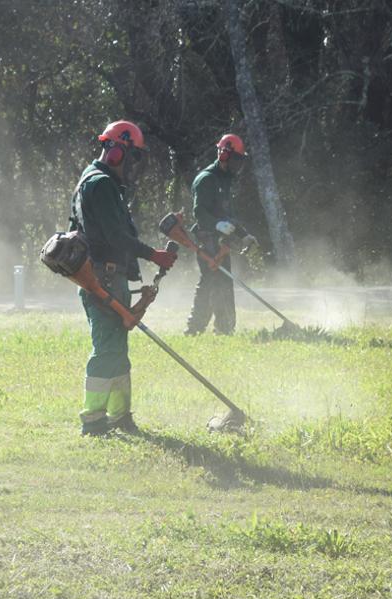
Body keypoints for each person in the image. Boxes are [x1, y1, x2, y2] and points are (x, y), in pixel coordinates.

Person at [70, 120, 178, 436]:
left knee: (117, 349)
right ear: (117, 151)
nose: (133, 164)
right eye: (133, 156)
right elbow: (116, 237)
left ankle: (119, 416)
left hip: (107, 276)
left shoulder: (93, 179)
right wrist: (153, 255)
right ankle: (93, 421)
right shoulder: (101, 184)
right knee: (107, 349)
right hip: (102, 278)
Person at [184, 133, 257, 335]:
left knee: (223, 283)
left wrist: (243, 235)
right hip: (207, 239)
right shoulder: (207, 179)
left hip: (220, 240)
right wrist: (217, 224)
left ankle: (224, 329)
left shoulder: (225, 180)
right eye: (236, 159)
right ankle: (194, 328)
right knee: (210, 282)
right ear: (224, 155)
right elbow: (199, 212)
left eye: (240, 160)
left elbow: (228, 214)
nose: (238, 164)